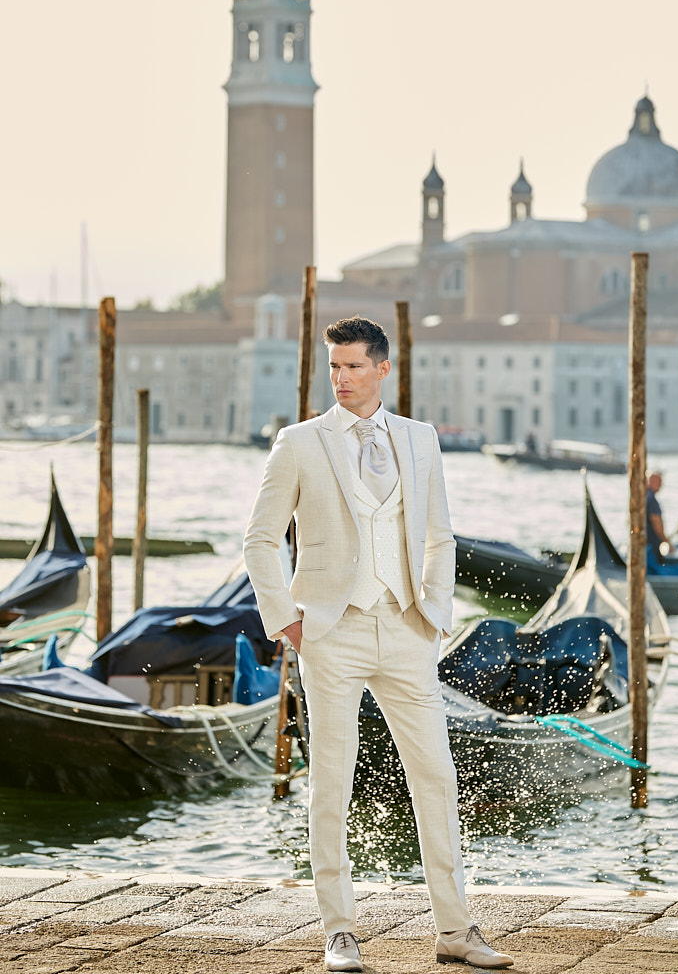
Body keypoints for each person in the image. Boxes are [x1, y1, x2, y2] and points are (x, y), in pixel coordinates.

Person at [243, 317, 514, 972]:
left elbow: (440, 536)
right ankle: (339, 932)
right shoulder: (299, 443)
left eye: (353, 366)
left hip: (406, 629)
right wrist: (287, 622)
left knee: (436, 777)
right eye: (334, 367)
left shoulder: (421, 440)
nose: (340, 378)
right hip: (330, 633)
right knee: (331, 783)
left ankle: (455, 930)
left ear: (382, 368)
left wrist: (435, 613)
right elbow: (260, 540)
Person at [646, 470, 670, 563]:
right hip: (651, 544)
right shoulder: (651, 500)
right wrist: (666, 541)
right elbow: (656, 522)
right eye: (659, 482)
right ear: (651, 481)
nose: (661, 486)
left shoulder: (643, 496)